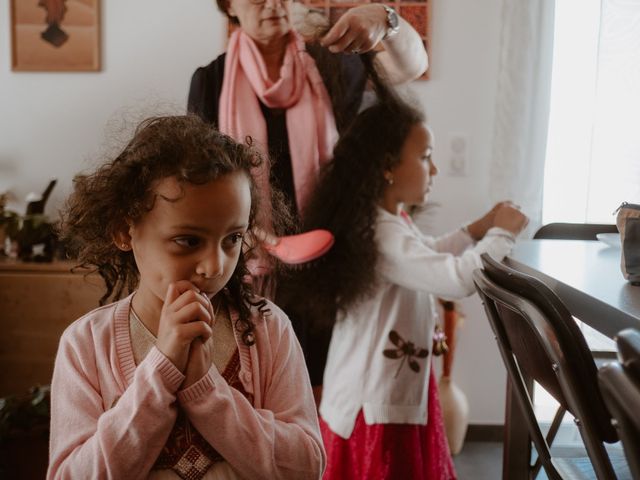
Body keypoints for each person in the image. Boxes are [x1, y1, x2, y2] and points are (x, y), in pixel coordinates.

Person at [47, 115, 325, 479]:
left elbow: (306, 468)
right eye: (188, 241)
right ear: (123, 231)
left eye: (233, 239)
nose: (214, 266)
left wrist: (207, 392)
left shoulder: (268, 329)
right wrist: (161, 371)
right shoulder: (86, 345)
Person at [281, 96, 529, 479]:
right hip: (375, 404)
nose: (435, 168)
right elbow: (457, 278)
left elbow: (426, 254)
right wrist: (502, 234)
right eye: (425, 156)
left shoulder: (385, 223)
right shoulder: (381, 233)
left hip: (386, 392)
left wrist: (474, 230)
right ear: (388, 167)